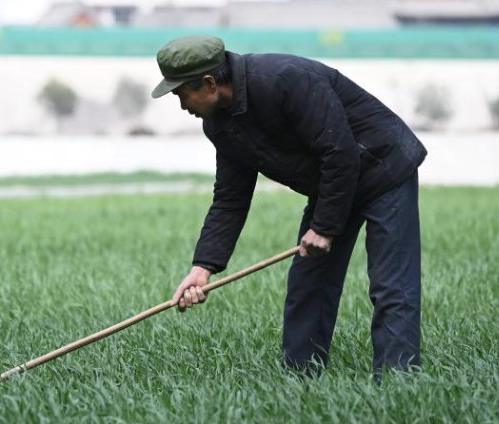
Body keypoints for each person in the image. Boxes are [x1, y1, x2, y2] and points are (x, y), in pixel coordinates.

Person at [152, 36, 426, 379]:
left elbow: (339, 151)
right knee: (308, 283)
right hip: (334, 183)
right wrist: (202, 268)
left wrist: (325, 228)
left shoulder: (284, 78)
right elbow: (230, 198)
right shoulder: (220, 124)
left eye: (180, 94)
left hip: (384, 167)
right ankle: (300, 381)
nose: (181, 106)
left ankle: (398, 382)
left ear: (209, 83)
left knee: (391, 285)